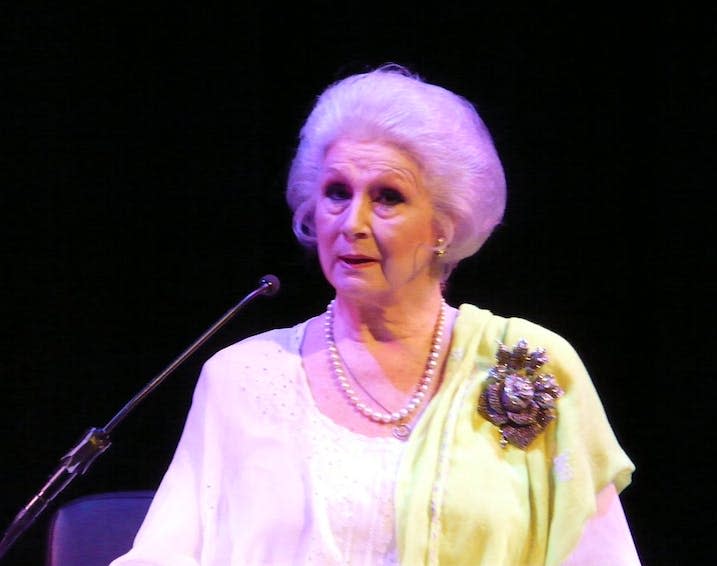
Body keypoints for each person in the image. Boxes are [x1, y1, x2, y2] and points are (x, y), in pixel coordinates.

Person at [110, 63, 640, 565]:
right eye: (337, 193)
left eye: (388, 197)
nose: (352, 222)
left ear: (445, 225)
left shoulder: (528, 367)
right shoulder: (242, 377)